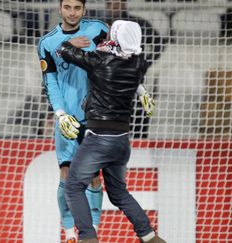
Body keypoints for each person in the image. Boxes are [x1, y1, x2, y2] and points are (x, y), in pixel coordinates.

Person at [59, 20, 165, 243]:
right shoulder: (138, 64)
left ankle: (88, 238)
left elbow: (64, 52)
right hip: (121, 141)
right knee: (118, 194)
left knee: (73, 187)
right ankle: (149, 236)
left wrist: (70, 41)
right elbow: (119, 50)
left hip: (99, 138)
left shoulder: (99, 61)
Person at [37, 0, 109, 242]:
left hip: (95, 115)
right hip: (67, 117)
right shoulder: (47, 42)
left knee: (94, 176)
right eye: (67, 7)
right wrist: (59, 112)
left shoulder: (98, 30)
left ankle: (93, 232)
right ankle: (69, 234)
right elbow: (51, 81)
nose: (72, 12)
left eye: (77, 8)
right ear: (60, 9)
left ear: (84, 10)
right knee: (66, 173)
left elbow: (117, 61)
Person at [103, 0, 164, 138]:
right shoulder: (100, 25)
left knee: (138, 113)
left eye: (117, 4)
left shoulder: (137, 23)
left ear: (124, 4)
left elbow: (158, 43)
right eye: (110, 4)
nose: (113, 7)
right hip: (108, 80)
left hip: (133, 77)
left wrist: (145, 64)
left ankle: (139, 140)